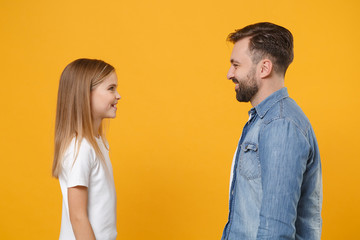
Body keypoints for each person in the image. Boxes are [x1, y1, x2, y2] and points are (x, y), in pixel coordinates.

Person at [221, 22, 322, 240]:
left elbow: (276, 230)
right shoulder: (263, 120)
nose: (229, 74)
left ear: (264, 68)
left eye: (236, 65)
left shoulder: (280, 125)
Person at [52, 58, 121, 240]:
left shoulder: (97, 143)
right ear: (85, 94)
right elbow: (78, 217)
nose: (118, 95)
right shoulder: (81, 148)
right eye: (110, 88)